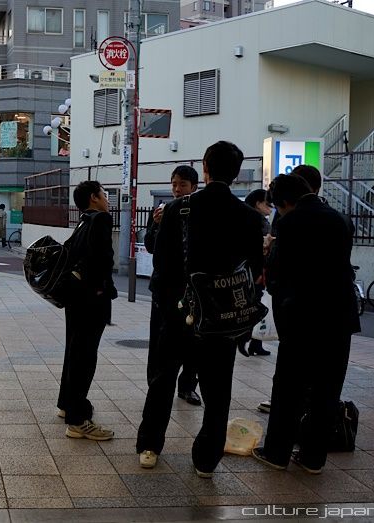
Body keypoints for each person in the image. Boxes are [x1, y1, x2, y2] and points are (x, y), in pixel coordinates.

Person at [136, 141, 264, 476]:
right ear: (236, 173)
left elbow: (162, 265)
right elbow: (254, 272)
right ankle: (206, 459)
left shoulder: (179, 209)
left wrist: (169, 306)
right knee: (218, 390)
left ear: (204, 168)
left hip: (180, 312)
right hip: (223, 319)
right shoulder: (250, 218)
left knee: (163, 380)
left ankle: (150, 446)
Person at [252, 174, 360, 474]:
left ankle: (277, 453)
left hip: (302, 317)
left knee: (290, 387)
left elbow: (278, 275)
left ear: (286, 202)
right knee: (327, 387)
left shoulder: (290, 223)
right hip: (340, 316)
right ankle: (313, 458)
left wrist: (269, 252)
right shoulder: (340, 219)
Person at [57, 180, 117, 440]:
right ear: (94, 197)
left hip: (75, 298)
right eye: (104, 194)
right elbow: (103, 259)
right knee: (85, 358)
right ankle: (78, 420)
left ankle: (67, 404)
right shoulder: (101, 219)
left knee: (74, 352)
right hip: (91, 300)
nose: (106, 199)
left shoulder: (82, 221)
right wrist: (102, 289)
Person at [143, 166, 202, 407]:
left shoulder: (199, 212)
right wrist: (157, 225)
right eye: (174, 184)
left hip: (193, 288)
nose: (177, 189)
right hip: (165, 288)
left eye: (183, 185)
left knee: (192, 340)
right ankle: (154, 382)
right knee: (158, 336)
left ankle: (187, 386)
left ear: (194, 187)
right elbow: (149, 245)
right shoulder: (162, 211)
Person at [238, 188, 273, 357]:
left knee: (256, 304)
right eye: (268, 204)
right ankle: (244, 337)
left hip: (250, 271)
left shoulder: (246, 218)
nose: (271, 207)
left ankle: (255, 342)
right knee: (255, 305)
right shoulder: (256, 220)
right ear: (258, 204)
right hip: (256, 272)